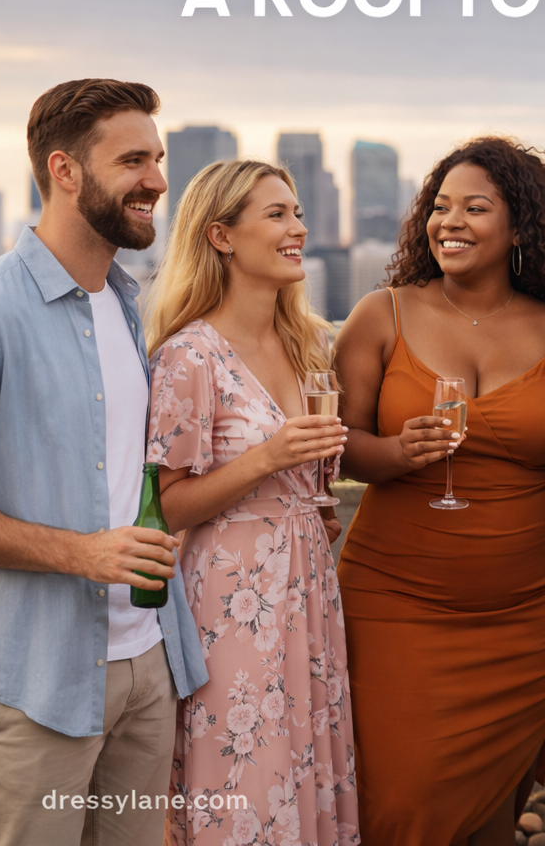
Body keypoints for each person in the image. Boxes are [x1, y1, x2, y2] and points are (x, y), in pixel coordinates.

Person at [334, 136, 545, 846]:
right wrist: (395, 452)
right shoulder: (380, 315)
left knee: (490, 818)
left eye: (475, 208)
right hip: (394, 600)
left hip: (533, 610)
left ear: (520, 228)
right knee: (397, 804)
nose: (450, 221)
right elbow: (339, 444)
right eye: (440, 206)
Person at [0, 79, 208, 846]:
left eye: (159, 159)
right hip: (38, 687)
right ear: (65, 170)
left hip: (149, 663)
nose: (157, 180)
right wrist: (82, 553)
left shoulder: (124, 301)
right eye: (133, 161)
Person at [144, 160, 358, 846]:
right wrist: (267, 458)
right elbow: (169, 507)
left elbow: (309, 488)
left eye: (298, 213)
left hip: (309, 590)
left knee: (306, 768)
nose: (298, 228)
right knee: (247, 783)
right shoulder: (189, 357)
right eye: (276, 215)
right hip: (231, 603)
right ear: (222, 236)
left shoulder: (308, 345)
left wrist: (316, 508)